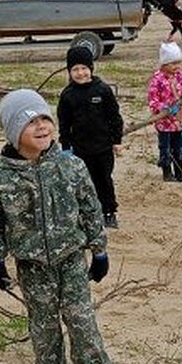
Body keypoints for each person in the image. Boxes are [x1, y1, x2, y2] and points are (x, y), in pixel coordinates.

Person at [0, 89, 116, 364]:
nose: (42, 127)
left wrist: (99, 250)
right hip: (31, 268)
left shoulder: (71, 166)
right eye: (31, 122)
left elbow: (90, 208)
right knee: (43, 326)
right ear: (14, 133)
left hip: (71, 261)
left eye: (45, 118)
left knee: (82, 321)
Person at [57, 46, 124, 228]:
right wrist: (66, 148)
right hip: (80, 149)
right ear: (69, 72)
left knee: (104, 180)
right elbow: (64, 124)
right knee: (83, 182)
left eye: (84, 68)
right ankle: (85, 214)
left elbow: (114, 117)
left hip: (103, 148)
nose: (80, 73)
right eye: (75, 69)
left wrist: (117, 141)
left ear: (91, 69)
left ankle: (109, 212)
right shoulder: (67, 95)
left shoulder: (102, 90)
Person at [147, 42, 182, 182]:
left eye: (178, 63)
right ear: (164, 63)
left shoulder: (180, 77)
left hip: (180, 120)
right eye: (173, 63)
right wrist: (164, 108)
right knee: (166, 148)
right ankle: (167, 172)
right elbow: (153, 100)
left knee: (180, 146)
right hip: (165, 122)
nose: (176, 66)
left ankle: (180, 172)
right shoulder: (157, 80)